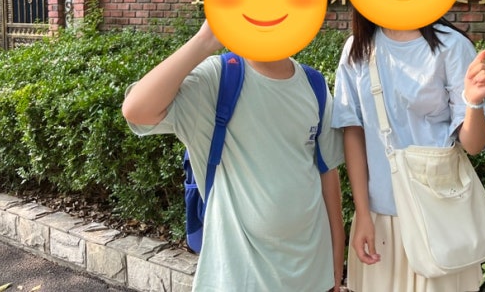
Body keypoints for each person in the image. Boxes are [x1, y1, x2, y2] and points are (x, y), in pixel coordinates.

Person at [122, 20, 345, 291]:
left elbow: (326, 172)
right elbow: (137, 110)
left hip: (312, 273)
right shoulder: (219, 78)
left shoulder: (313, 84)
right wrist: (205, 40)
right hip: (238, 277)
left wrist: (335, 261)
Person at [333, 9, 485, 292]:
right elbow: (354, 133)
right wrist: (362, 214)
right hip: (380, 218)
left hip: (439, 214)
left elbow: (473, 145)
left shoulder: (451, 46)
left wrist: (474, 102)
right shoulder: (357, 48)